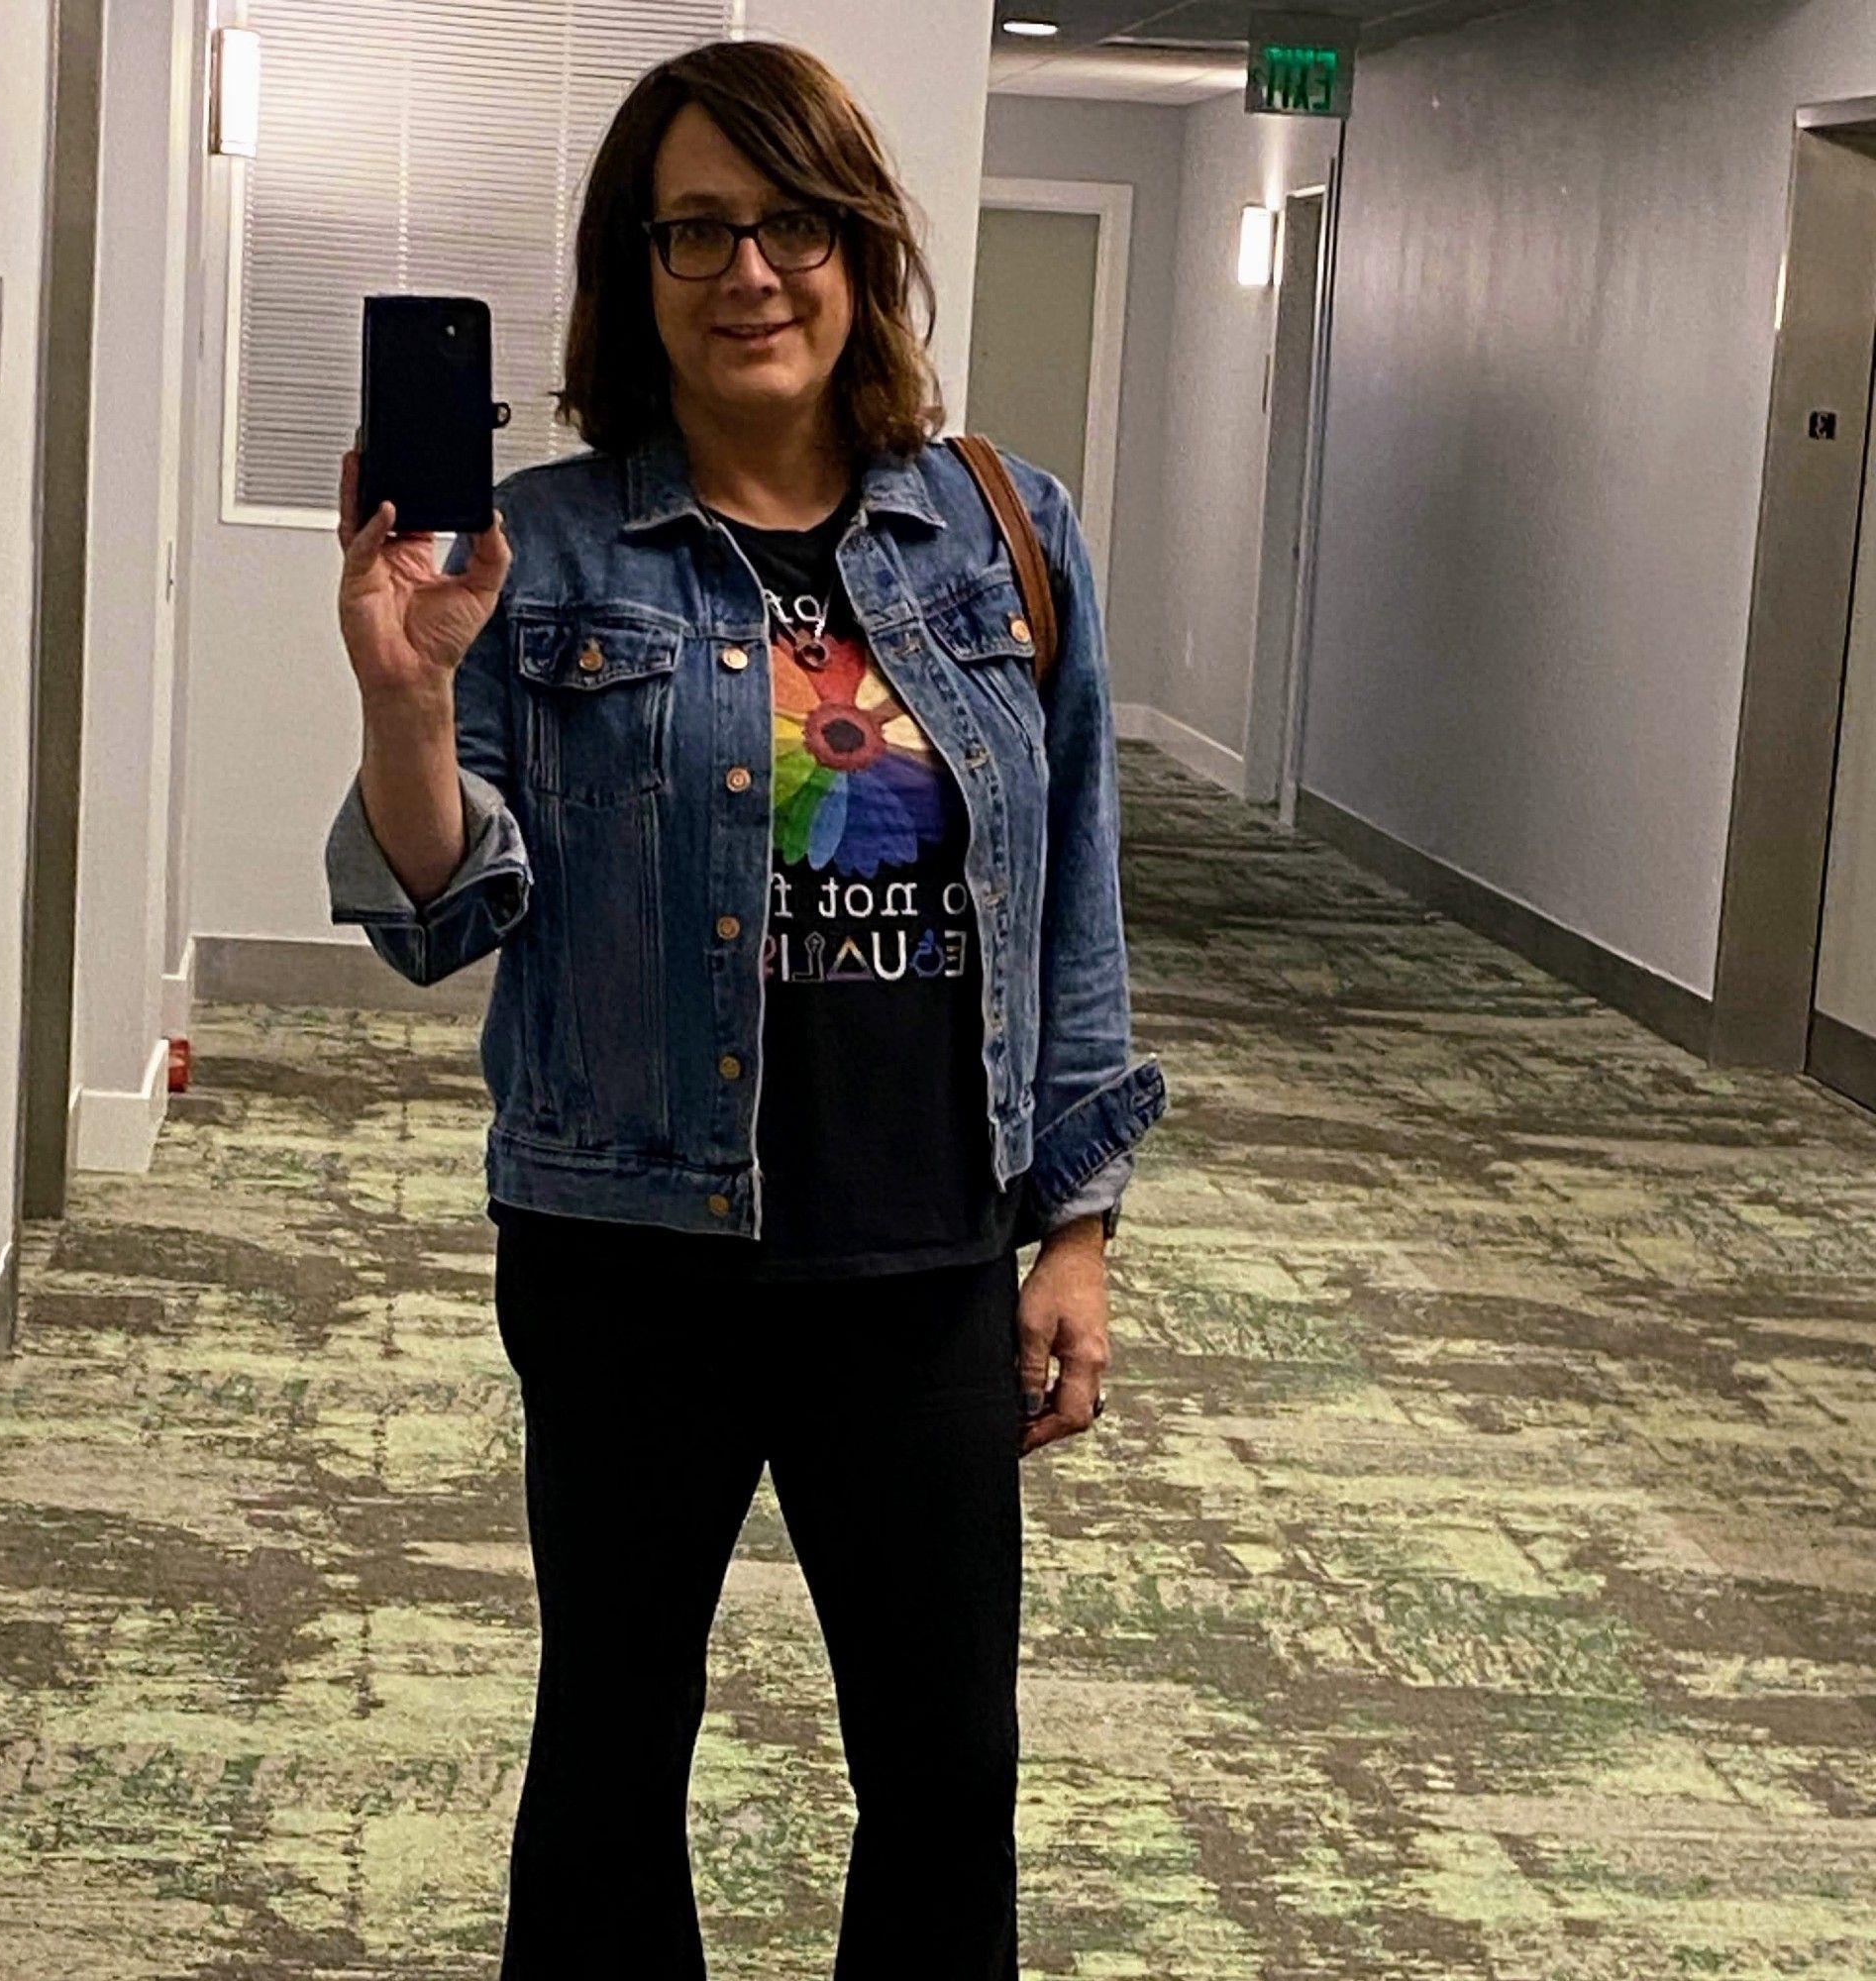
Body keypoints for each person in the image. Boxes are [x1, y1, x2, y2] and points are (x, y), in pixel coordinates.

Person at [324, 36, 1167, 1980]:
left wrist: (1082, 1226)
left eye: (786, 222)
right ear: (637, 275)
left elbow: (1075, 909)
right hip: (630, 1249)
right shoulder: (542, 552)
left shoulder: (1002, 528)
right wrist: (402, 695)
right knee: (614, 1759)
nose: (746, 272)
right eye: (691, 232)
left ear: (859, 249)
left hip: (919, 1257)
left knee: (946, 1768)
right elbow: (438, 913)